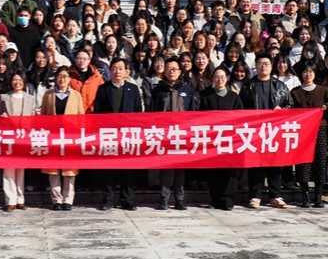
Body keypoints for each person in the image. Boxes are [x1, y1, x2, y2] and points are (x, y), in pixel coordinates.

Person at [240, 52, 294, 209]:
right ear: (255, 66)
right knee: (255, 164)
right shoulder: (248, 86)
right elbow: (240, 107)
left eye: (266, 63)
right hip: (254, 130)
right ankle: (255, 196)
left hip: (274, 130)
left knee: (275, 163)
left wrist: (282, 110)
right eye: (260, 63)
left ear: (271, 67)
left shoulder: (280, 86)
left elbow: (290, 105)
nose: (263, 66)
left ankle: (275, 195)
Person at [94, 59, 143, 211]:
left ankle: (127, 200)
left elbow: (138, 112)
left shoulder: (133, 89)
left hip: (127, 135)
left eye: (120, 68)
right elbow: (97, 113)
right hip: (109, 135)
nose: (117, 71)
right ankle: (108, 200)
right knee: (108, 169)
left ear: (126, 71)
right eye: (114, 68)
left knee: (128, 169)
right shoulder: (103, 89)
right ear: (110, 71)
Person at [151, 57, 198, 210]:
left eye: (175, 69)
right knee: (164, 168)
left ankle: (179, 199)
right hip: (163, 134)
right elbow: (152, 113)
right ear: (164, 72)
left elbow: (192, 112)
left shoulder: (186, 89)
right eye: (169, 69)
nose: (172, 72)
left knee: (180, 168)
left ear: (179, 72)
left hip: (181, 134)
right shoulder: (158, 90)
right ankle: (164, 199)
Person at [291, 61, 328, 208]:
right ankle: (305, 197)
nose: (308, 74)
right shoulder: (295, 92)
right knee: (303, 163)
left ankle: (318, 197)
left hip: (319, 129)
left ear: (315, 74)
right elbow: (291, 110)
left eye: (310, 71)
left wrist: (326, 107)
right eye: (305, 71)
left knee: (320, 161)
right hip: (302, 132)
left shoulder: (322, 90)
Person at [40, 66, 85, 210]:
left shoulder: (76, 95)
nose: (62, 79)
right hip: (53, 136)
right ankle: (56, 200)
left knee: (69, 170)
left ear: (70, 79)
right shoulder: (49, 95)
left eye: (65, 76)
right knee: (53, 170)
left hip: (70, 136)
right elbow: (43, 116)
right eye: (60, 76)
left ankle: (68, 200)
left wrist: (79, 135)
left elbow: (81, 117)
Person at [200, 67, 245, 210]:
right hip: (212, 141)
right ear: (212, 79)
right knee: (213, 172)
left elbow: (241, 118)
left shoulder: (234, 97)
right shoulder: (206, 97)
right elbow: (200, 119)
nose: (219, 80)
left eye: (222, 77)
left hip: (230, 141)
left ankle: (228, 201)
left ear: (226, 79)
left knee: (229, 172)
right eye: (216, 77)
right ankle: (215, 200)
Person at [0, 71, 36, 211]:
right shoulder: (4, 97)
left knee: (21, 169)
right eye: (15, 80)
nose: (17, 82)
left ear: (24, 82)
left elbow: (34, 118)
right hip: (8, 137)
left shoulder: (30, 99)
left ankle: (20, 199)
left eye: (20, 80)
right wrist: (1, 117)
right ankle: (10, 200)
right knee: (8, 169)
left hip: (23, 138)